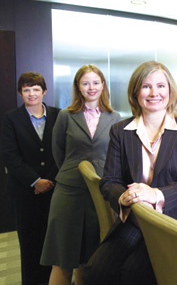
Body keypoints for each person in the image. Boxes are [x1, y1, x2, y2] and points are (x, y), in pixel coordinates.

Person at [83, 61, 177, 285]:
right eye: (146, 86)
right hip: (135, 218)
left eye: (161, 86)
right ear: (135, 92)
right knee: (95, 272)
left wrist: (156, 194)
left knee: (135, 274)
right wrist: (125, 197)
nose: (154, 93)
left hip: (176, 220)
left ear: (170, 91)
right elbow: (109, 181)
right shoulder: (120, 132)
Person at [40, 64, 120, 285]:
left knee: (90, 258)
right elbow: (58, 152)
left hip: (101, 193)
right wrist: (74, 171)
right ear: (78, 87)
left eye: (95, 82)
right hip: (69, 192)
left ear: (103, 85)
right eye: (85, 83)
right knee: (62, 259)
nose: (91, 87)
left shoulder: (115, 117)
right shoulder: (66, 115)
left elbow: (116, 155)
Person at [1, 72, 60, 285]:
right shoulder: (11, 118)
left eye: (36, 89)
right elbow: (9, 155)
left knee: (52, 242)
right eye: (26, 90)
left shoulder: (59, 115)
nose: (31, 94)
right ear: (20, 93)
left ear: (44, 92)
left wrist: (49, 180)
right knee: (29, 244)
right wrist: (36, 181)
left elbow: (62, 152)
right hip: (24, 192)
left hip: (54, 190)